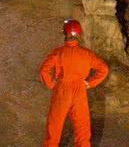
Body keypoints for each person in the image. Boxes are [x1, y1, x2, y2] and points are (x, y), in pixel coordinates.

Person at [39, 19, 109, 147]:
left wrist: (52, 85)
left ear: (64, 34)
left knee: (54, 126)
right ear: (79, 34)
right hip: (79, 90)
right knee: (82, 127)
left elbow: (44, 70)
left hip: (62, 90)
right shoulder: (86, 54)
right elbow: (103, 69)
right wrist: (90, 83)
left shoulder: (58, 52)